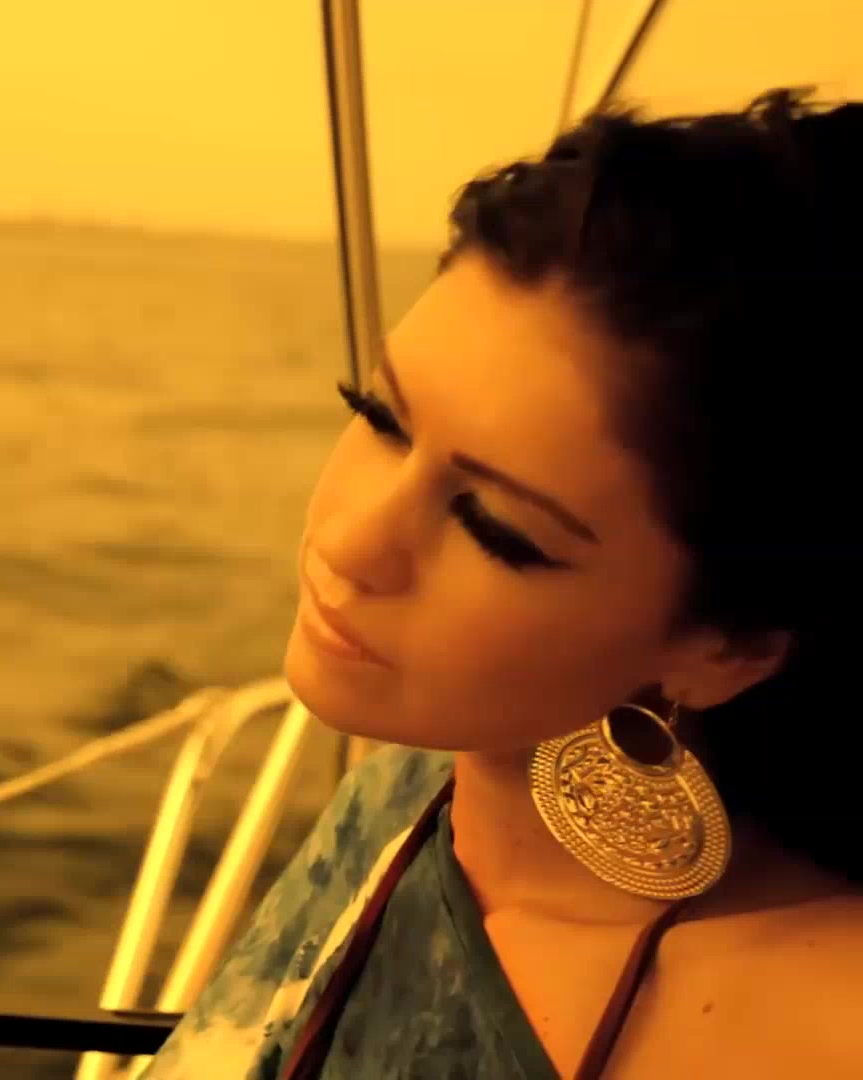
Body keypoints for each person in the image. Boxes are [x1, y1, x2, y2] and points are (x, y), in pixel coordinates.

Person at [139, 88, 863, 1079]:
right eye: (380, 418)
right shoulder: (406, 791)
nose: (352, 541)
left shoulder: (813, 1035)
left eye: (495, 529)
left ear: (723, 647)